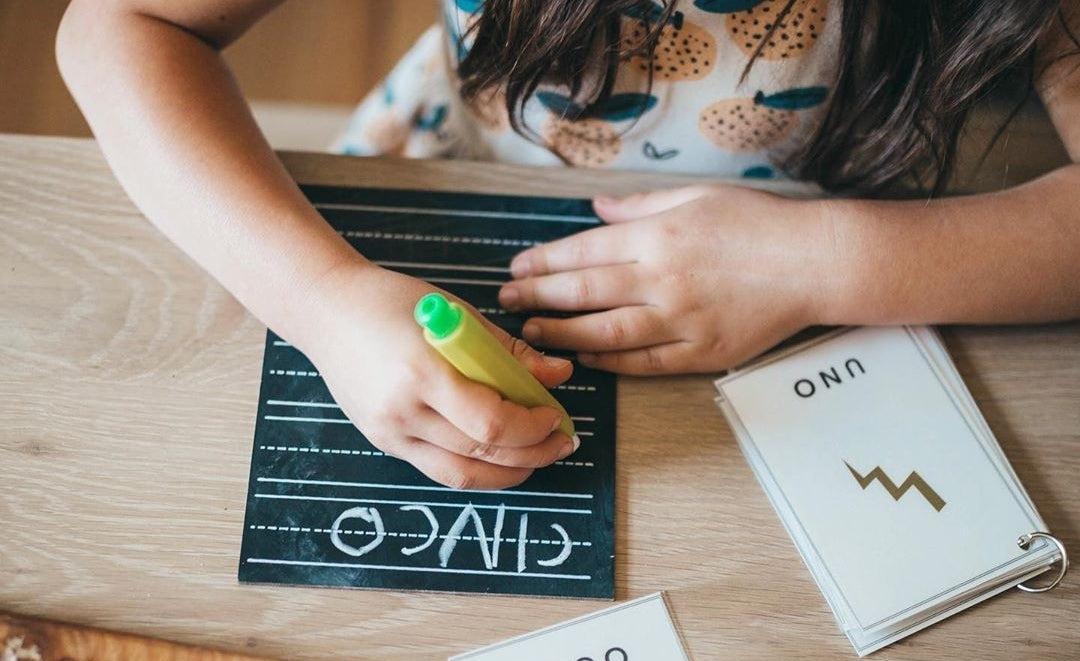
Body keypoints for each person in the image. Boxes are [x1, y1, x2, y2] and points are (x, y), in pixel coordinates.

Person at [56, 1, 1079, 491]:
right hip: (453, 158)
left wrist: (819, 263)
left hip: (833, 229)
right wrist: (321, 301)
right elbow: (118, 28)